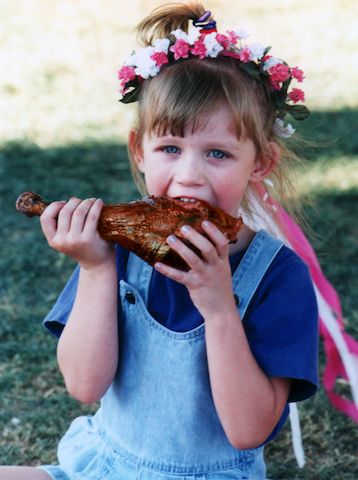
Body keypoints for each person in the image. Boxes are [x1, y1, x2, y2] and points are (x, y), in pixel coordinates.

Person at [1, 2, 319, 479]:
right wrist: (96, 268)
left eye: (217, 153)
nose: (188, 176)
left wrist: (217, 306)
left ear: (260, 164)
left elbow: (249, 429)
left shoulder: (279, 277)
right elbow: (86, 384)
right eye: (170, 149)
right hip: (105, 465)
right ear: (140, 151)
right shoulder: (117, 249)